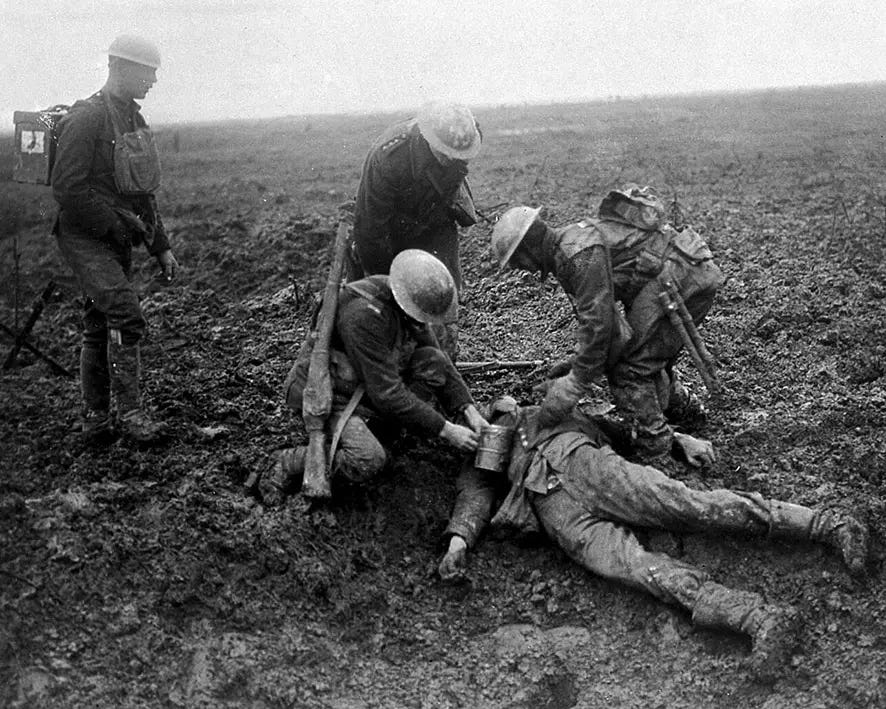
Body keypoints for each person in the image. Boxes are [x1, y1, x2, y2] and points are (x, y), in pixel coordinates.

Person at [439, 396, 870, 681]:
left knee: (686, 505)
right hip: (555, 513)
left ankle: (825, 524)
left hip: (586, 465)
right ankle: (757, 618)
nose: (475, 423)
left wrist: (678, 440)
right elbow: (475, 492)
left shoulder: (537, 410)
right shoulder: (482, 455)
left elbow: (615, 422)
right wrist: (459, 539)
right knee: (638, 569)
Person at [491, 185, 726, 467]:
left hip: (683, 276)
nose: (523, 270)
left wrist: (575, 383)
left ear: (528, 248)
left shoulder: (575, 254)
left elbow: (601, 327)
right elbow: (614, 332)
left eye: (518, 262)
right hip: (680, 271)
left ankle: (658, 454)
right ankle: (687, 413)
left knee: (631, 370)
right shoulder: (568, 247)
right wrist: (577, 364)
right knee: (642, 357)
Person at [259, 250, 488, 505]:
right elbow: (388, 395)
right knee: (368, 460)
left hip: (364, 384)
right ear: (406, 302)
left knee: (432, 360)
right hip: (331, 394)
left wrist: (469, 410)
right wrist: (446, 430)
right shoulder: (363, 316)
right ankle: (287, 461)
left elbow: (441, 361)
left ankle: (388, 433)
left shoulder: (401, 297)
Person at [52, 34, 178, 445]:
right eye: (148, 71)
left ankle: (96, 421)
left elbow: (143, 190)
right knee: (124, 311)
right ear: (121, 68)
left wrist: (160, 246)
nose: (154, 81)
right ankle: (133, 414)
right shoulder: (86, 118)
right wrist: (114, 225)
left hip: (116, 235)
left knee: (97, 323)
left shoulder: (133, 121)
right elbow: (68, 189)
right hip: (85, 235)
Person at [348, 101, 483, 357]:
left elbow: (452, 176)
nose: (452, 159)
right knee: (384, 302)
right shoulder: (391, 157)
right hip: (390, 230)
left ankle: (443, 362)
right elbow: (370, 228)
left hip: (435, 222)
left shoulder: (464, 138)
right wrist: (387, 282)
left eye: (458, 155)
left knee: (444, 293)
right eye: (445, 152)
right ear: (428, 138)